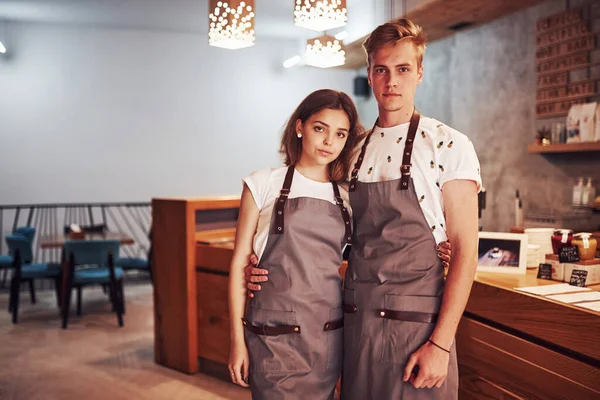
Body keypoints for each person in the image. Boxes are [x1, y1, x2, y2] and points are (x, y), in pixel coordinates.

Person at [245, 17, 480, 399]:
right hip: (355, 326)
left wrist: (440, 345)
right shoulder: (351, 150)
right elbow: (315, 221)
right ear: (369, 74)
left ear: (420, 72)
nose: (392, 81)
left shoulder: (448, 145)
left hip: (417, 330)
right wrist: (256, 263)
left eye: (403, 69)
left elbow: (467, 251)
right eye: (381, 70)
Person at [228, 89, 363, 399]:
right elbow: (239, 264)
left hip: (328, 336)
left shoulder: (347, 198)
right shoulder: (263, 183)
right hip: (273, 337)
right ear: (300, 127)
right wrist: (237, 340)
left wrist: (438, 247)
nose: (329, 141)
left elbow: (377, 250)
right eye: (320, 128)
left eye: (340, 134)